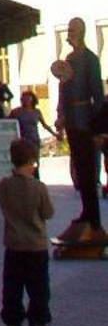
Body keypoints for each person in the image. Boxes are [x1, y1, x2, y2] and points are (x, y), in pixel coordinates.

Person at [0, 137, 54, 326]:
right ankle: (38, 322)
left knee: (12, 285)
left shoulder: (4, 185)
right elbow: (48, 212)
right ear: (30, 161)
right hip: (36, 245)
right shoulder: (38, 187)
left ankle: (13, 321)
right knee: (38, 287)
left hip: (13, 244)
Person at [53, 19, 105, 239]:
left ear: (81, 32)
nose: (69, 34)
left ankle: (93, 219)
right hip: (73, 120)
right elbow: (64, 91)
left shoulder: (90, 59)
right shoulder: (70, 59)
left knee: (88, 169)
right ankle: (86, 212)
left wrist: (98, 128)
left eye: (73, 30)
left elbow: (98, 97)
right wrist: (61, 116)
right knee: (80, 170)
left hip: (85, 120)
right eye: (69, 30)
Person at [12, 89, 53, 153]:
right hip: (22, 140)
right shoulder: (16, 112)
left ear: (32, 100)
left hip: (34, 139)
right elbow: (8, 123)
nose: (25, 101)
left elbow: (45, 125)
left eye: (28, 99)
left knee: (35, 157)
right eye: (23, 99)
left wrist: (55, 134)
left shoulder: (37, 112)